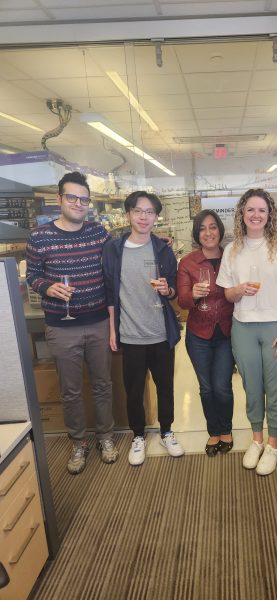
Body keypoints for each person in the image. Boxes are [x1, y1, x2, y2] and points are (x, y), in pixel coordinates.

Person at [26, 171, 118, 475]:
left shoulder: (99, 232)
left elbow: (118, 259)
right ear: (59, 199)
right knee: (71, 391)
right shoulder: (40, 237)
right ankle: (78, 443)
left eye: (84, 199)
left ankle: (105, 437)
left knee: (103, 385)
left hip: (98, 322)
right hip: (61, 327)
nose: (79, 203)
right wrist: (47, 287)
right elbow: (32, 276)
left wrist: (156, 243)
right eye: (72, 197)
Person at [217, 188, 277, 476]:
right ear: (242, 214)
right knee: (252, 388)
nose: (255, 215)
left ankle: (273, 444)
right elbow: (227, 294)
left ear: (269, 215)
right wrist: (238, 290)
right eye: (250, 210)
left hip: (276, 327)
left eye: (261, 210)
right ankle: (256, 440)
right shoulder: (232, 249)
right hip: (243, 327)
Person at [102, 191, 184, 466]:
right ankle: (138, 436)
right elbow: (110, 292)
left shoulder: (163, 249)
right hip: (131, 334)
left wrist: (167, 289)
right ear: (128, 214)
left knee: (166, 388)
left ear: (156, 217)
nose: (143, 217)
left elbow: (173, 290)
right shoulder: (113, 250)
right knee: (134, 391)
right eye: (138, 211)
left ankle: (167, 431)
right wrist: (113, 330)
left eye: (150, 212)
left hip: (160, 333)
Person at [177, 210, 234, 456]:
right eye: (202, 228)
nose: (208, 233)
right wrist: (193, 295)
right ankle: (214, 431)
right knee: (206, 388)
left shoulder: (232, 257)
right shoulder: (188, 262)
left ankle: (226, 429)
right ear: (196, 234)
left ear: (220, 230)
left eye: (212, 227)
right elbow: (182, 302)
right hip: (198, 334)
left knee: (222, 387)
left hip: (227, 332)